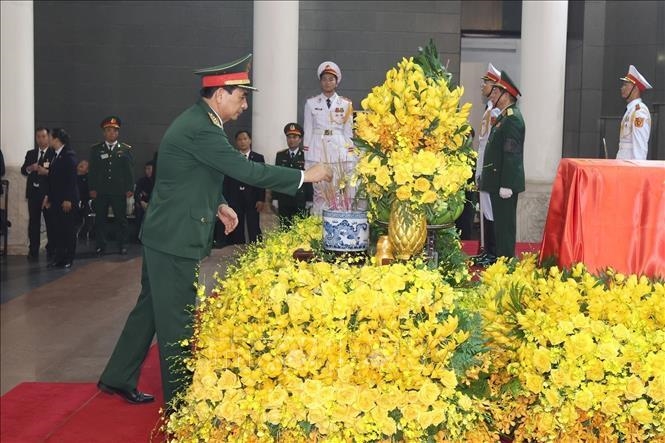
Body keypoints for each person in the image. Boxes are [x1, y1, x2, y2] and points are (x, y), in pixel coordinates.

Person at [97, 53, 332, 407]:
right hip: (174, 238)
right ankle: (181, 403)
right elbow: (248, 172)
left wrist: (219, 204)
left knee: (150, 308)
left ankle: (117, 376)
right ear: (220, 94)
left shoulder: (201, 123)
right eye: (241, 97)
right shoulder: (201, 128)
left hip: (166, 233)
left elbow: (199, 175)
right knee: (177, 319)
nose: (244, 105)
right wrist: (305, 175)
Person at [479, 70, 525, 259]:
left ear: (506, 95)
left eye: (497, 93)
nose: (494, 95)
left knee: (505, 227)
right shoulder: (504, 116)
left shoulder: (513, 119)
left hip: (503, 183)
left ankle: (506, 262)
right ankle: (499, 258)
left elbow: (511, 154)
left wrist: (506, 184)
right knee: (498, 224)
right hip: (496, 180)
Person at [303, 61, 356, 214]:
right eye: (324, 79)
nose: (327, 82)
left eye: (331, 79)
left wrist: (350, 156)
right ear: (320, 81)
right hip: (317, 151)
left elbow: (348, 133)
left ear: (336, 82)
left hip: (338, 152)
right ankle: (317, 226)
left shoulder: (346, 104)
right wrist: (308, 158)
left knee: (337, 193)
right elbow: (308, 130)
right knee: (319, 193)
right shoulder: (311, 103)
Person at [88, 116, 134, 256]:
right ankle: (101, 245)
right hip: (101, 190)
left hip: (118, 191)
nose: (111, 133)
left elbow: (129, 170)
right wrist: (92, 188)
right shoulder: (96, 149)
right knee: (100, 219)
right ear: (104, 133)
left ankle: (123, 245)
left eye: (114, 131)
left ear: (117, 133)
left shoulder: (125, 149)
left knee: (121, 219)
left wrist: (129, 188)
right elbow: (93, 171)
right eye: (108, 130)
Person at [474, 63, 502, 263]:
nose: (483, 86)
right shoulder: (489, 108)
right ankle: (486, 249)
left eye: (486, 83)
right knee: (484, 208)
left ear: (495, 87)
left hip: (489, 163)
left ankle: (493, 252)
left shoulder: (498, 112)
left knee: (491, 209)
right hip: (482, 159)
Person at [43, 128, 79, 269]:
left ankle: (68, 258)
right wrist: (49, 197)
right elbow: (53, 180)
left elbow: (71, 180)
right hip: (56, 200)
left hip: (66, 201)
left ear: (56, 139)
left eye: (50, 137)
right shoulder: (55, 155)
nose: (48, 139)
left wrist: (68, 199)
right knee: (57, 230)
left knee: (68, 230)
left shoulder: (68, 155)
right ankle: (59, 258)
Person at [222, 130, 265, 244]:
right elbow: (227, 180)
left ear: (250, 140)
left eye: (245, 139)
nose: (242, 142)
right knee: (237, 225)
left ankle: (256, 248)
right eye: (240, 139)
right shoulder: (232, 158)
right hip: (235, 197)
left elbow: (261, 179)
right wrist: (226, 200)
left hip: (252, 197)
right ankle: (237, 247)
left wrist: (261, 199)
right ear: (236, 142)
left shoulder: (258, 158)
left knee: (253, 225)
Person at [21, 128, 56, 261]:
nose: (41, 139)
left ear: (48, 137)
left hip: (48, 194)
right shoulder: (31, 153)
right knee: (33, 223)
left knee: (50, 222)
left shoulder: (53, 154)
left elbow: (56, 174)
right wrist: (30, 168)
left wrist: (45, 171)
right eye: (38, 137)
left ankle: (52, 248)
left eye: (43, 136)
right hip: (33, 194)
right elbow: (23, 170)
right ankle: (33, 250)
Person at [273, 123, 313, 228]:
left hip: (300, 198)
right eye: (289, 137)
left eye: (295, 137)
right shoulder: (280, 155)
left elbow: (309, 178)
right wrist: (275, 198)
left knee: (300, 230)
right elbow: (277, 177)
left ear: (300, 139)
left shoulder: (306, 156)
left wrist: (309, 199)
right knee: (284, 229)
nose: (291, 140)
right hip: (284, 198)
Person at [617, 65, 652, 160]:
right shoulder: (630, 110)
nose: (622, 88)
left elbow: (640, 147)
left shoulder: (639, 111)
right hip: (623, 165)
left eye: (625, 85)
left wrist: (637, 172)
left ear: (635, 89)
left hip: (630, 168)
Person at [133, 160, 154, 233]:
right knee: (139, 209)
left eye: (149, 169)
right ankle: (138, 235)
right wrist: (141, 202)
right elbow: (136, 193)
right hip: (142, 204)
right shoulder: (142, 181)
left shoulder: (157, 181)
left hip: (154, 205)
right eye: (145, 169)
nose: (146, 171)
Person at [75, 159, 93, 241]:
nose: (82, 164)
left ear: (87, 170)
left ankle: (83, 235)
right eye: (81, 163)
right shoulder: (72, 177)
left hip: (85, 202)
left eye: (85, 164)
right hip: (73, 202)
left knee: (87, 219)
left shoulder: (88, 179)